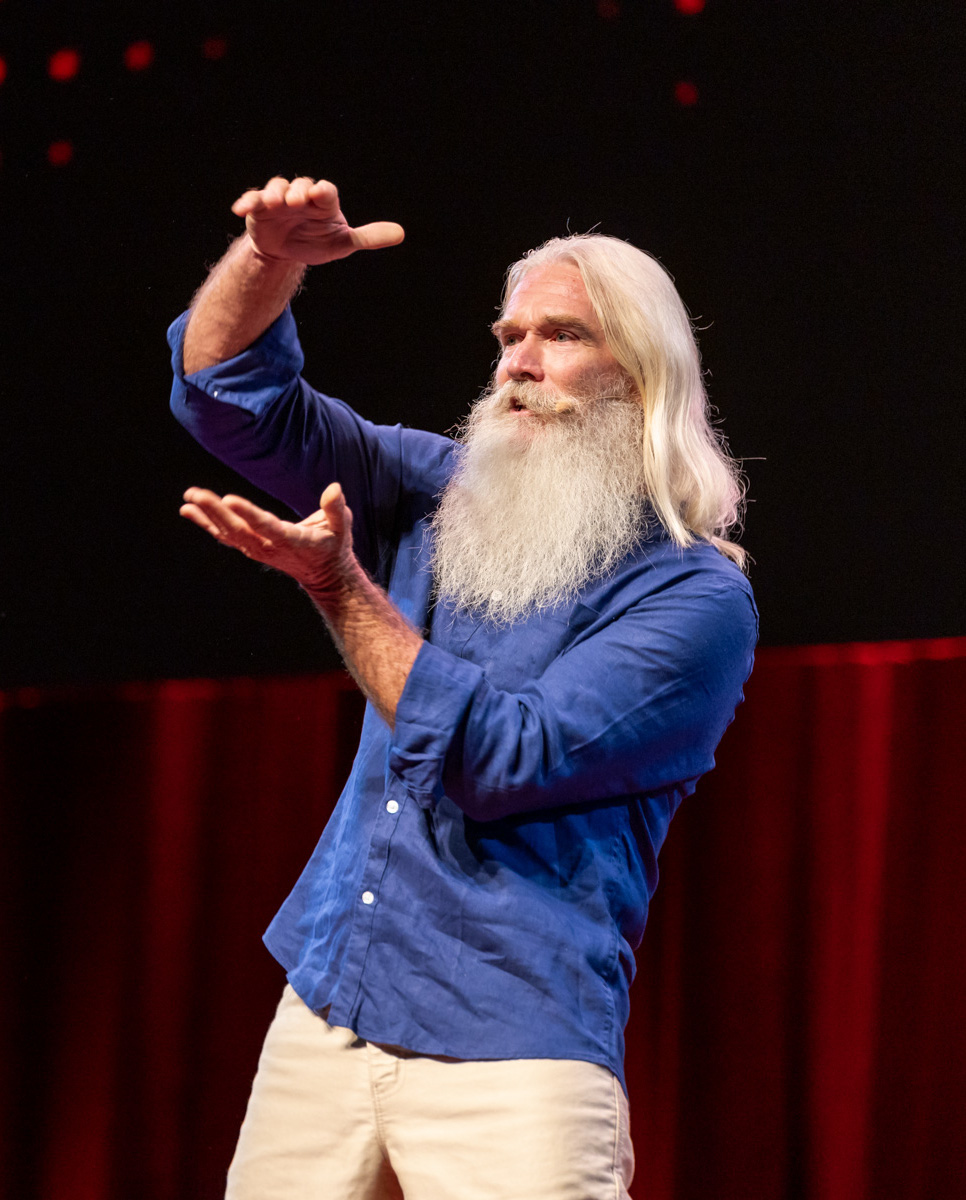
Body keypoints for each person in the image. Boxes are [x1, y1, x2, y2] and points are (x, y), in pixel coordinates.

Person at [169, 176, 757, 1200]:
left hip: (513, 1039)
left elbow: (501, 758)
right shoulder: (440, 489)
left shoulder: (691, 595)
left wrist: (338, 586)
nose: (519, 365)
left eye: (560, 335)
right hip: (330, 1002)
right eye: (508, 336)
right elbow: (228, 393)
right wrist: (271, 261)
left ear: (644, 372)